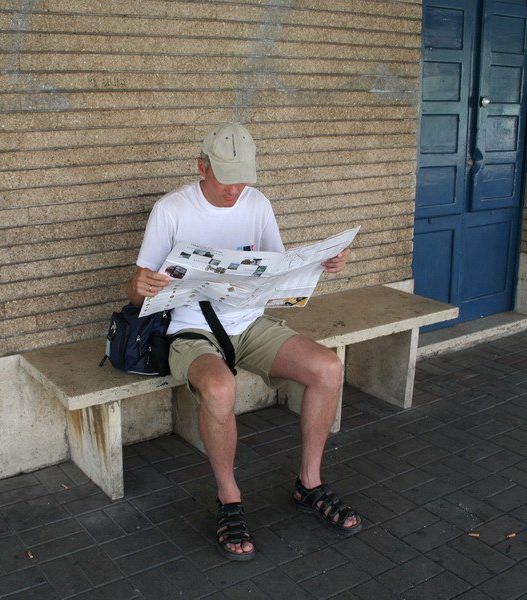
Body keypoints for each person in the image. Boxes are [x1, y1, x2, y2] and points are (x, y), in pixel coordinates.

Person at [126, 123, 361, 561]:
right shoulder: (171, 210)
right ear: (202, 166)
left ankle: (309, 484)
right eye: (225, 179)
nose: (235, 190)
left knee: (327, 368)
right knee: (220, 388)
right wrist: (140, 286)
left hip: (250, 321)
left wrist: (323, 264)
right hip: (192, 328)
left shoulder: (257, 203)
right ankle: (228, 497)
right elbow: (138, 293)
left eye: (243, 179)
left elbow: (276, 268)